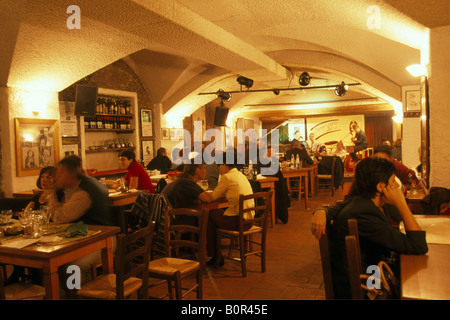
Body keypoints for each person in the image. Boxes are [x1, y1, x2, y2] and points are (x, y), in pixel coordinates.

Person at [311, 157, 428, 299]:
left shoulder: (367, 202)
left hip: (370, 274)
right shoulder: (366, 213)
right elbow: (419, 246)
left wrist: (322, 210)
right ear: (380, 186)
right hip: (363, 288)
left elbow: (404, 224)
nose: (397, 187)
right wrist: (402, 203)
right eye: (393, 182)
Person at [46, 155, 114, 289]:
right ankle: (65, 294)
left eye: (60, 173)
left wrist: (52, 193)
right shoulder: (75, 186)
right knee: (56, 264)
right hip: (84, 238)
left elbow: (60, 218)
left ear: (71, 174)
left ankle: (80, 295)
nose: (57, 177)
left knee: (74, 266)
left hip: (102, 240)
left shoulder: (83, 192)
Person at [6, 166, 57, 286]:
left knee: (29, 250)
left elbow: (54, 217)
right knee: (17, 245)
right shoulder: (37, 196)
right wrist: (24, 215)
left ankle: (37, 281)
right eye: (42, 177)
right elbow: (26, 213)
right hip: (35, 231)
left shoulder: (57, 196)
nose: (44, 180)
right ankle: (20, 272)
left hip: (51, 232)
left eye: (48, 177)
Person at [207, 150, 255, 266]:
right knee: (214, 215)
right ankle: (216, 255)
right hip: (249, 219)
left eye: (219, 166)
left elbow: (213, 196)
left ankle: (215, 256)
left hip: (238, 221)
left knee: (209, 215)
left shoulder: (227, 177)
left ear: (224, 164)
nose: (219, 169)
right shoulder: (240, 175)